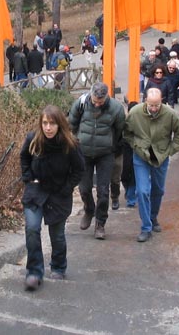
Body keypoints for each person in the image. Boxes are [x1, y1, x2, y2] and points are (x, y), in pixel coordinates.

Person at [20, 105, 85, 291]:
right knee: (32, 229)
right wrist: (28, 177)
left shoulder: (70, 144)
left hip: (59, 194)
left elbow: (80, 169)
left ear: (60, 124)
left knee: (56, 235)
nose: (48, 128)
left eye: (52, 124)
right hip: (36, 191)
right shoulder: (33, 140)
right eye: (45, 123)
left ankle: (58, 266)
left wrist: (67, 187)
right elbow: (24, 157)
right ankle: (34, 271)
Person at [123, 88, 179, 242]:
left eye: (156, 105)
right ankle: (146, 227)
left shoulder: (170, 114)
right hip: (141, 156)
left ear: (161, 101)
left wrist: (170, 150)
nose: (153, 108)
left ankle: (153, 217)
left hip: (161, 156)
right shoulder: (136, 112)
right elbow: (127, 133)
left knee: (158, 190)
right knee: (142, 191)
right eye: (151, 105)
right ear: (145, 101)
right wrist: (136, 146)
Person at [68, 82, 125, 240]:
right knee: (84, 188)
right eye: (94, 101)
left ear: (106, 97)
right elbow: (71, 123)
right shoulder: (81, 103)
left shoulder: (116, 108)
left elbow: (120, 129)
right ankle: (88, 209)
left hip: (105, 153)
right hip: (84, 152)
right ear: (91, 95)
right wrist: (74, 142)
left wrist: (113, 146)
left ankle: (100, 223)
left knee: (103, 191)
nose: (96, 104)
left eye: (100, 102)